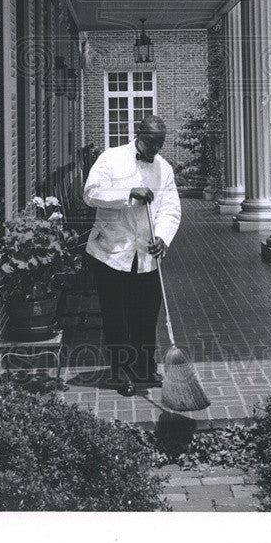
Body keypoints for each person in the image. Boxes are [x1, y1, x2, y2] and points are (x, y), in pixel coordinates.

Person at [83, 114, 181, 396]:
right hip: (110, 252)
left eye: (159, 144)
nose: (155, 150)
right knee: (117, 316)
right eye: (151, 142)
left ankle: (143, 369)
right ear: (139, 134)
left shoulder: (164, 168)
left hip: (146, 257)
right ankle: (120, 372)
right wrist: (129, 192)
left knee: (146, 314)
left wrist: (162, 237)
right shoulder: (110, 158)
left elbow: (171, 208)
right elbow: (90, 193)